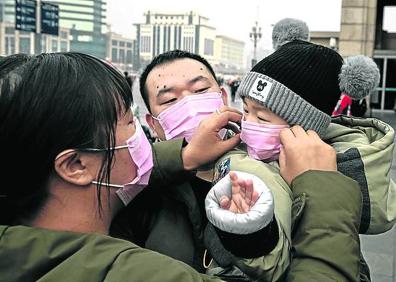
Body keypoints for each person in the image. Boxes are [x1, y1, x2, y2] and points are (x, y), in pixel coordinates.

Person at [111, 49, 361, 281]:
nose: (188, 105)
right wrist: (183, 157)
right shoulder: (137, 196)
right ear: (153, 123)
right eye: (169, 100)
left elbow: (350, 267)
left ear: (222, 97)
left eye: (199, 91)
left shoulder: (291, 168)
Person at [0, 52, 250, 281]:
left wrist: (181, 157)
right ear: (75, 165)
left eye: (200, 90)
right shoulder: (147, 272)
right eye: (130, 122)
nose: (140, 137)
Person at [213, 40, 393, 280]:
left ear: (306, 127)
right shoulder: (239, 147)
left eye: (263, 119)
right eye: (246, 110)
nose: (248, 123)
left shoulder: (337, 169)